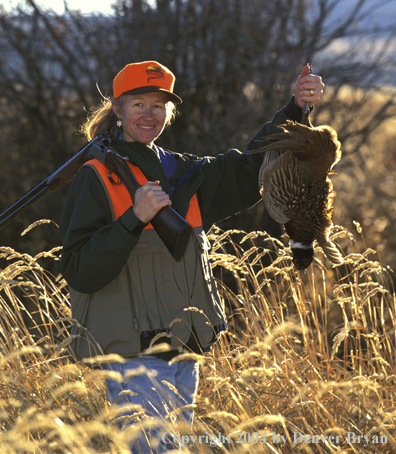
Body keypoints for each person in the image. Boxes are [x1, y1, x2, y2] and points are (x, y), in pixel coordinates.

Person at [60, 60, 324, 452]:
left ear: (170, 111)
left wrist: (295, 109)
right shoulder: (97, 175)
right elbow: (79, 270)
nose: (149, 114)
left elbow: (252, 165)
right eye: (138, 104)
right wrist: (134, 218)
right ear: (117, 109)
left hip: (185, 356)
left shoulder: (184, 172)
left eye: (159, 105)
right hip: (136, 361)